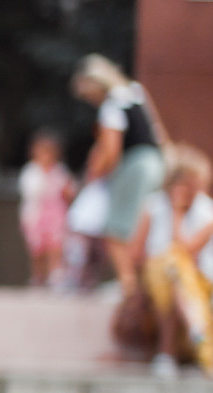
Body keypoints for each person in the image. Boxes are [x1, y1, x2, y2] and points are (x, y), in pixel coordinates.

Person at [72, 55, 169, 285]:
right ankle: (141, 284)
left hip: (135, 166)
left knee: (116, 231)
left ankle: (129, 286)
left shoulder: (110, 106)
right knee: (140, 228)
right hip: (156, 162)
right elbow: (158, 132)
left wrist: (97, 175)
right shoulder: (135, 91)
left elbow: (111, 151)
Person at [137, 145, 213, 377]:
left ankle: (166, 354)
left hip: (197, 279)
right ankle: (196, 332)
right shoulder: (154, 205)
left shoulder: (210, 212)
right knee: (171, 272)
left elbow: (187, 251)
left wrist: (176, 213)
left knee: (176, 272)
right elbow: (138, 253)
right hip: (159, 276)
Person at [18, 129, 75, 290]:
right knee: (37, 251)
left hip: (56, 215)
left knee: (55, 247)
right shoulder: (31, 172)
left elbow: (68, 191)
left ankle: (56, 277)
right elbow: (29, 192)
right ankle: (38, 277)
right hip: (36, 217)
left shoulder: (60, 171)